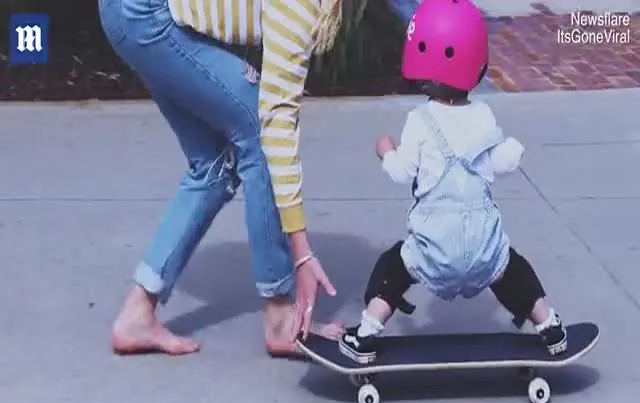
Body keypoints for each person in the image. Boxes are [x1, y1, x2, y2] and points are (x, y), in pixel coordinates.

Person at [98, 0, 346, 356]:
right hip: (145, 13)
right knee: (259, 134)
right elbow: (275, 122)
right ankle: (280, 315)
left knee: (213, 163)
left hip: (125, 12)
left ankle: (138, 311)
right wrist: (301, 252)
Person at [338, 0, 567, 364]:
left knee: (393, 267)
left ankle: (366, 334)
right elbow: (503, 161)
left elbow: (402, 172)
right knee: (512, 269)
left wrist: (386, 151)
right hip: (482, 249)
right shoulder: (483, 115)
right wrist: (514, 149)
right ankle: (551, 327)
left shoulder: (419, 120)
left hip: (433, 253)